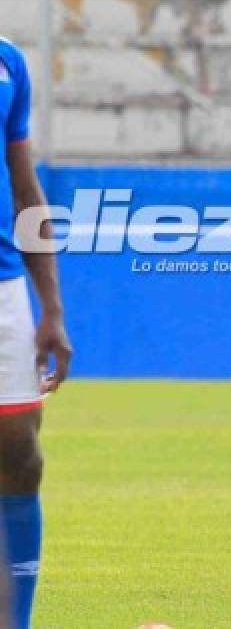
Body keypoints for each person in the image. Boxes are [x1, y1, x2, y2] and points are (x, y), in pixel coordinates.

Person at [0, 37, 72, 628]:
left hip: (4, 289)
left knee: (21, 456)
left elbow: (26, 188)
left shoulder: (9, 62)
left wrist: (52, 308)